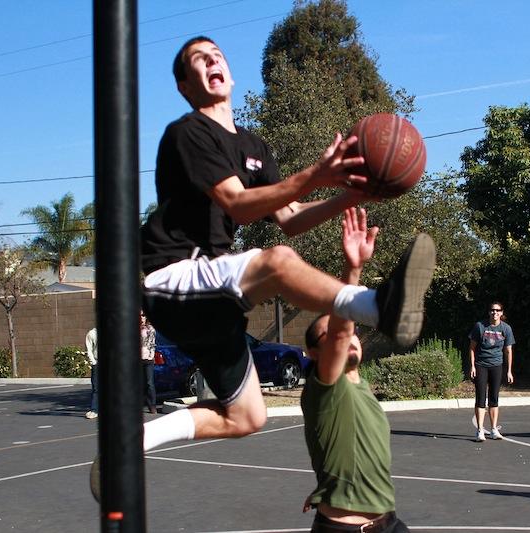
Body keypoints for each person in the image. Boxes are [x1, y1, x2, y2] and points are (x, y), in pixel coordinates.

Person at [90, 36, 435, 501]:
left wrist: (350, 196)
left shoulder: (254, 146)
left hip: (212, 298)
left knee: (248, 416)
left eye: (217, 55)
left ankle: (128, 445)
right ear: (185, 86)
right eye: (198, 59)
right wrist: (315, 173)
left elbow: (289, 218)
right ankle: (377, 306)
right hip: (172, 278)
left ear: (229, 73)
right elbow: (238, 203)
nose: (212, 60)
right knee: (275, 262)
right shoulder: (188, 133)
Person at [301, 207, 409, 533]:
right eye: (334, 334)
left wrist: (326, 484)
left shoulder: (361, 390)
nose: (349, 336)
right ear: (313, 352)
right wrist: (353, 269)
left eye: (354, 333)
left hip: (389, 523)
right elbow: (339, 330)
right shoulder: (323, 389)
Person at [469, 302, 514, 442]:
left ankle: (494, 429)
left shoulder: (506, 328)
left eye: (497, 310)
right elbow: (472, 348)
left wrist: (509, 371)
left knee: (494, 398)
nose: (494, 312)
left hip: (497, 365)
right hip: (481, 365)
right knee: (481, 398)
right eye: (492, 310)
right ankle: (480, 430)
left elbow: (508, 350)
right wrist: (472, 366)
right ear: (489, 312)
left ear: (501, 312)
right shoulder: (480, 326)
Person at [140, 313, 157, 414]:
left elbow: (152, 344)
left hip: (148, 359)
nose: (141, 317)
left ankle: (152, 405)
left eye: (143, 315)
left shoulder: (150, 329)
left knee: (149, 383)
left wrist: (150, 356)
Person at [85, 327, 98, 420]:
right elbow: (89, 349)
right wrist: (94, 362)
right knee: (96, 388)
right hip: (97, 363)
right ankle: (94, 410)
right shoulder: (92, 333)